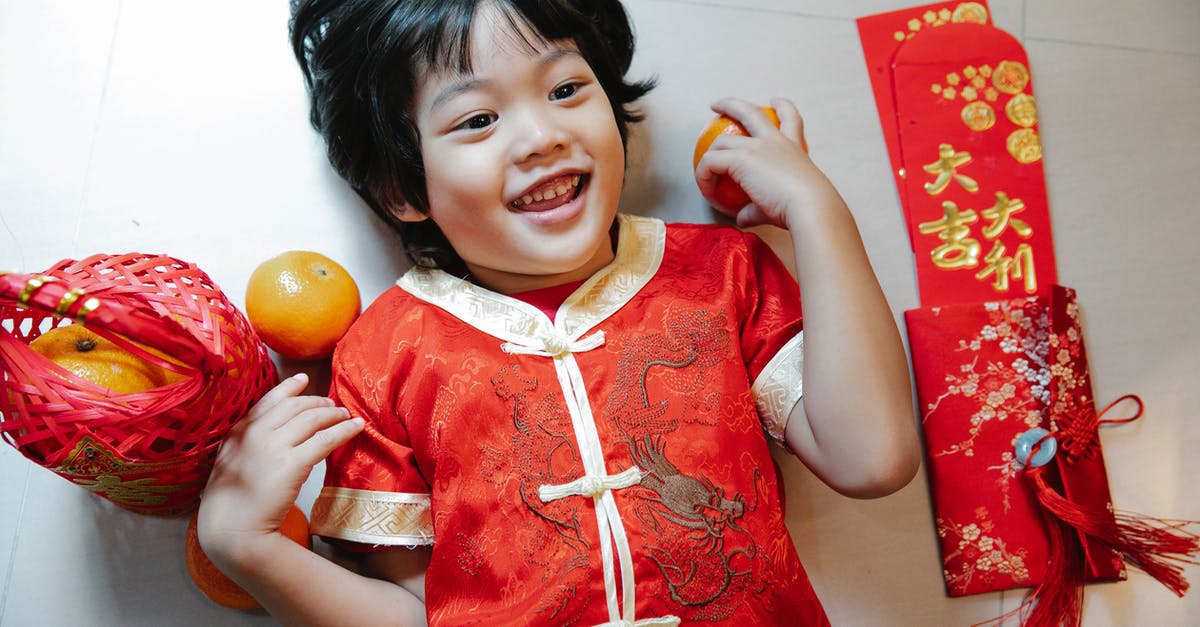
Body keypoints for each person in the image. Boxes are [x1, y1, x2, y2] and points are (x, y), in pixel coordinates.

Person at [197, 0, 921, 625]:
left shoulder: (722, 274)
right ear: (401, 187)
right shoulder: (384, 353)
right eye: (478, 119)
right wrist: (248, 546)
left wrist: (817, 208)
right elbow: (420, 610)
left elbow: (872, 456)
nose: (542, 135)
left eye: (567, 87)